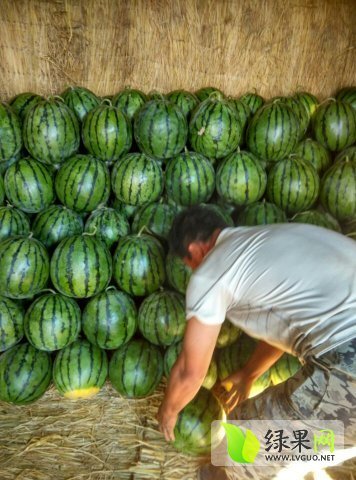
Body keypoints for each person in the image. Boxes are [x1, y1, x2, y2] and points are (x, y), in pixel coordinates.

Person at [157, 205, 356, 480]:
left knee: (245, 441)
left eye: (188, 266)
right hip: (346, 354)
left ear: (193, 251)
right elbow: (289, 323)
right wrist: (248, 374)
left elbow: (190, 372)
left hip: (348, 363)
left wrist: (168, 411)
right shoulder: (265, 241)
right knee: (304, 446)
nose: (193, 272)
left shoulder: (212, 269)